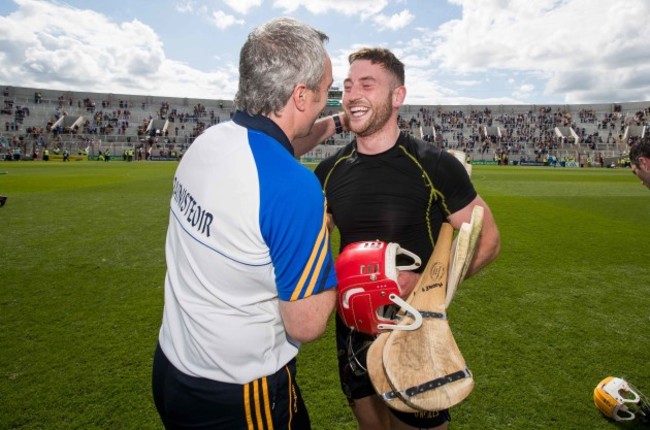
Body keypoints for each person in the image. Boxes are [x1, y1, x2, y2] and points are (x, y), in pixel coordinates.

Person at [152, 17, 342, 429]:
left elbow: (279, 145)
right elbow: (306, 324)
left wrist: (338, 124)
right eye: (327, 91)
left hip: (172, 367)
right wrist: (328, 252)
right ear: (301, 94)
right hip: (238, 396)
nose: (330, 100)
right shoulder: (295, 189)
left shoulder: (207, 142)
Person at [314, 47, 501, 430]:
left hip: (415, 329)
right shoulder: (328, 172)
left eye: (367, 84)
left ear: (397, 96)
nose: (352, 94)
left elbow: (489, 241)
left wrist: (428, 290)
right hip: (351, 332)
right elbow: (311, 247)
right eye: (348, 86)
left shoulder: (434, 165)